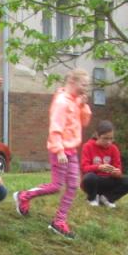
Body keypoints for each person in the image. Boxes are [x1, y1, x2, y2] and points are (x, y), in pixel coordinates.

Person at [14, 68, 93, 239]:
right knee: (56, 186)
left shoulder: (76, 101)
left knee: (73, 185)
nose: (86, 88)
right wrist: (59, 150)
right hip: (60, 150)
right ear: (72, 81)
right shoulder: (62, 102)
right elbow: (55, 128)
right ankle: (24, 195)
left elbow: (84, 122)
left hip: (72, 150)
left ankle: (59, 221)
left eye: (88, 85)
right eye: (84, 84)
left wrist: (84, 106)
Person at [80, 120, 128, 208]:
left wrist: (116, 173)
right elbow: (84, 168)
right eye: (105, 138)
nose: (109, 142)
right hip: (93, 182)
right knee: (90, 177)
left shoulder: (114, 149)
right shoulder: (87, 146)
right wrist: (99, 167)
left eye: (111, 138)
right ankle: (92, 198)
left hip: (108, 180)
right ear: (97, 135)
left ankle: (107, 198)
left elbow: (118, 169)